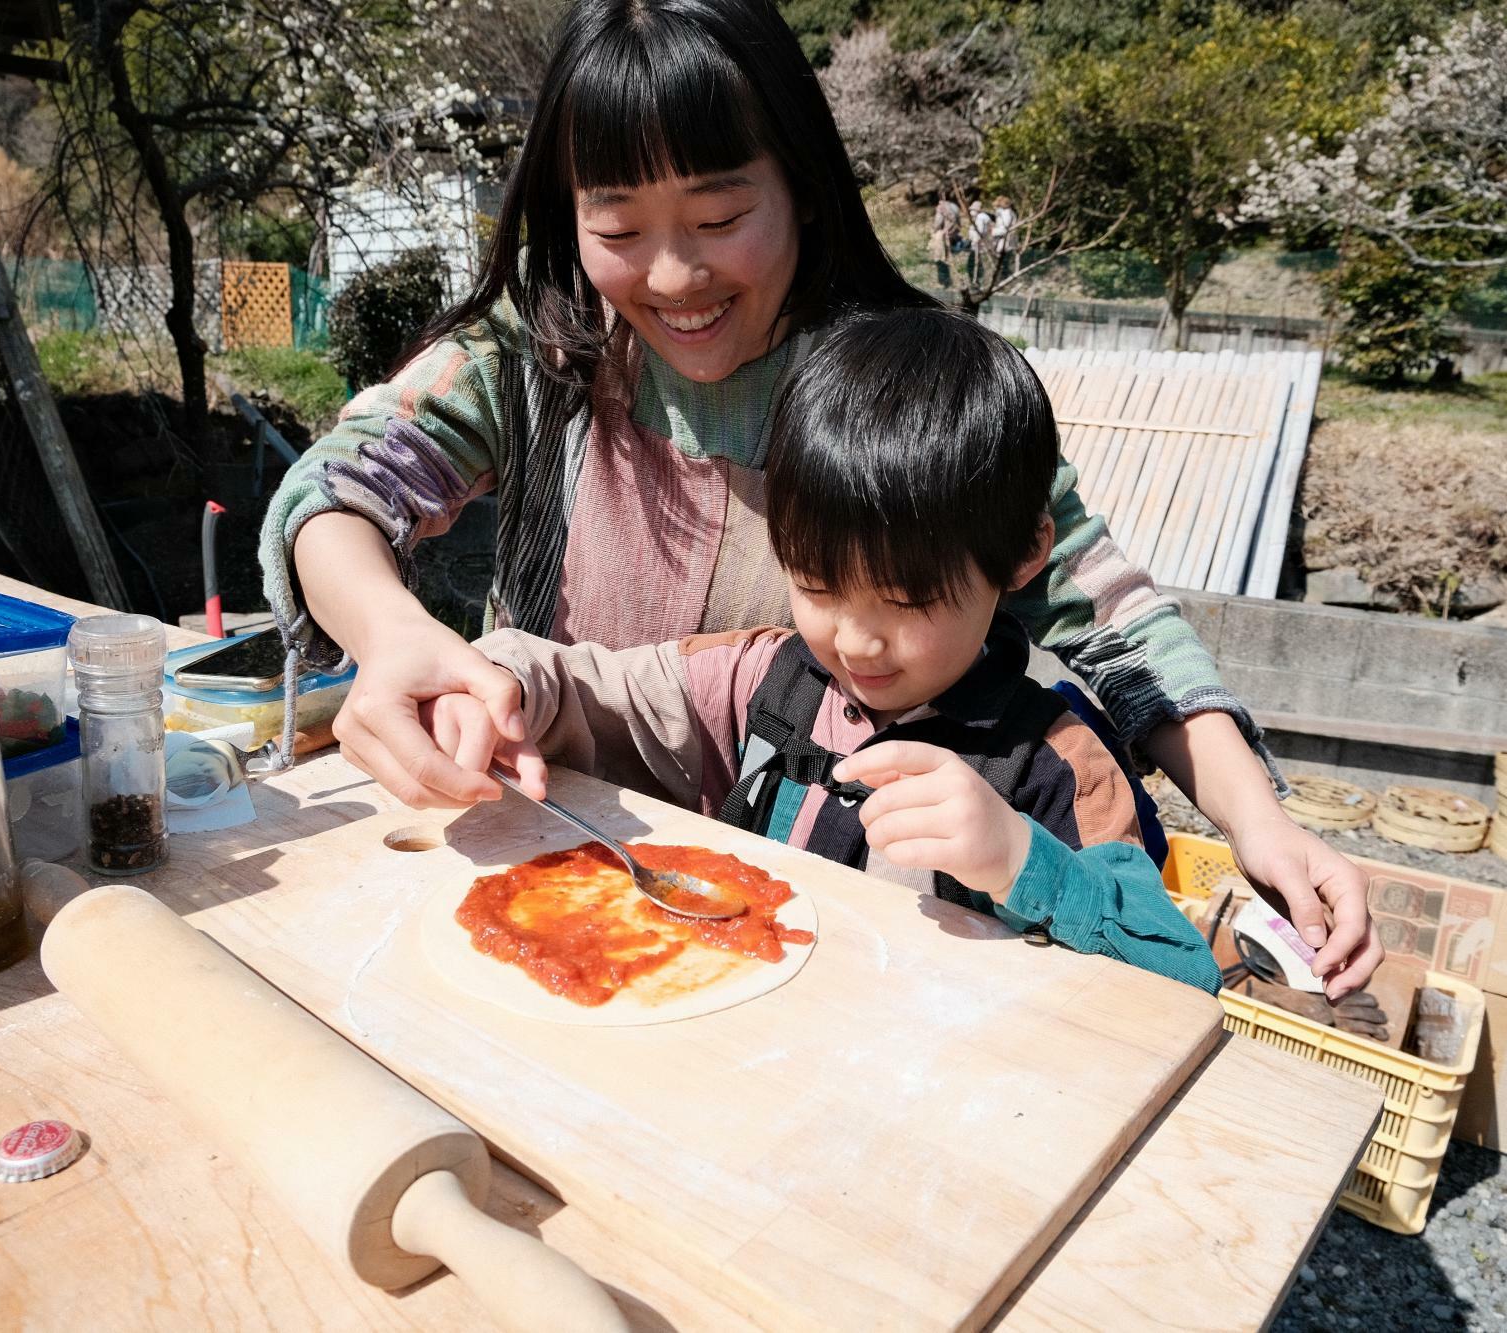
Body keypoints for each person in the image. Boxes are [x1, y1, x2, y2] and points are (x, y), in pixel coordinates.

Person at [260, 0, 1381, 1000]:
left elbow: (1114, 618)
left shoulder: (887, 393)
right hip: (565, 874)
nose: (670, 277)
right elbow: (342, 484)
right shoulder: (536, 348)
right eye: (616, 229)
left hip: (810, 938)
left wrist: (1258, 822)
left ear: (800, 177)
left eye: (715, 219)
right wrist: (397, 636)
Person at [424, 311, 1221, 994]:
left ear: (1021, 556)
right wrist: (496, 686)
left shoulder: (1056, 767)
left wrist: (1020, 859)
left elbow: (1183, 976)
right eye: (817, 585)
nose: (856, 640)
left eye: (908, 603)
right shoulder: (762, 679)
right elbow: (594, 689)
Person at [929, 194, 961, 288]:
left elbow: (938, 222)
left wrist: (933, 230)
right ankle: (949, 281)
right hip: (953, 234)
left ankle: (944, 282)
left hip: (942, 236)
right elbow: (958, 221)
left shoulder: (941, 207)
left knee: (940, 258)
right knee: (947, 257)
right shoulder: (954, 206)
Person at [992, 195, 1017, 282]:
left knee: (1003, 263)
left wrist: (992, 232)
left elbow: (1004, 229)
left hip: (1005, 241)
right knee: (1003, 263)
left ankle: (1002, 280)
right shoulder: (1007, 213)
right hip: (1005, 241)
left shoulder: (1007, 213)